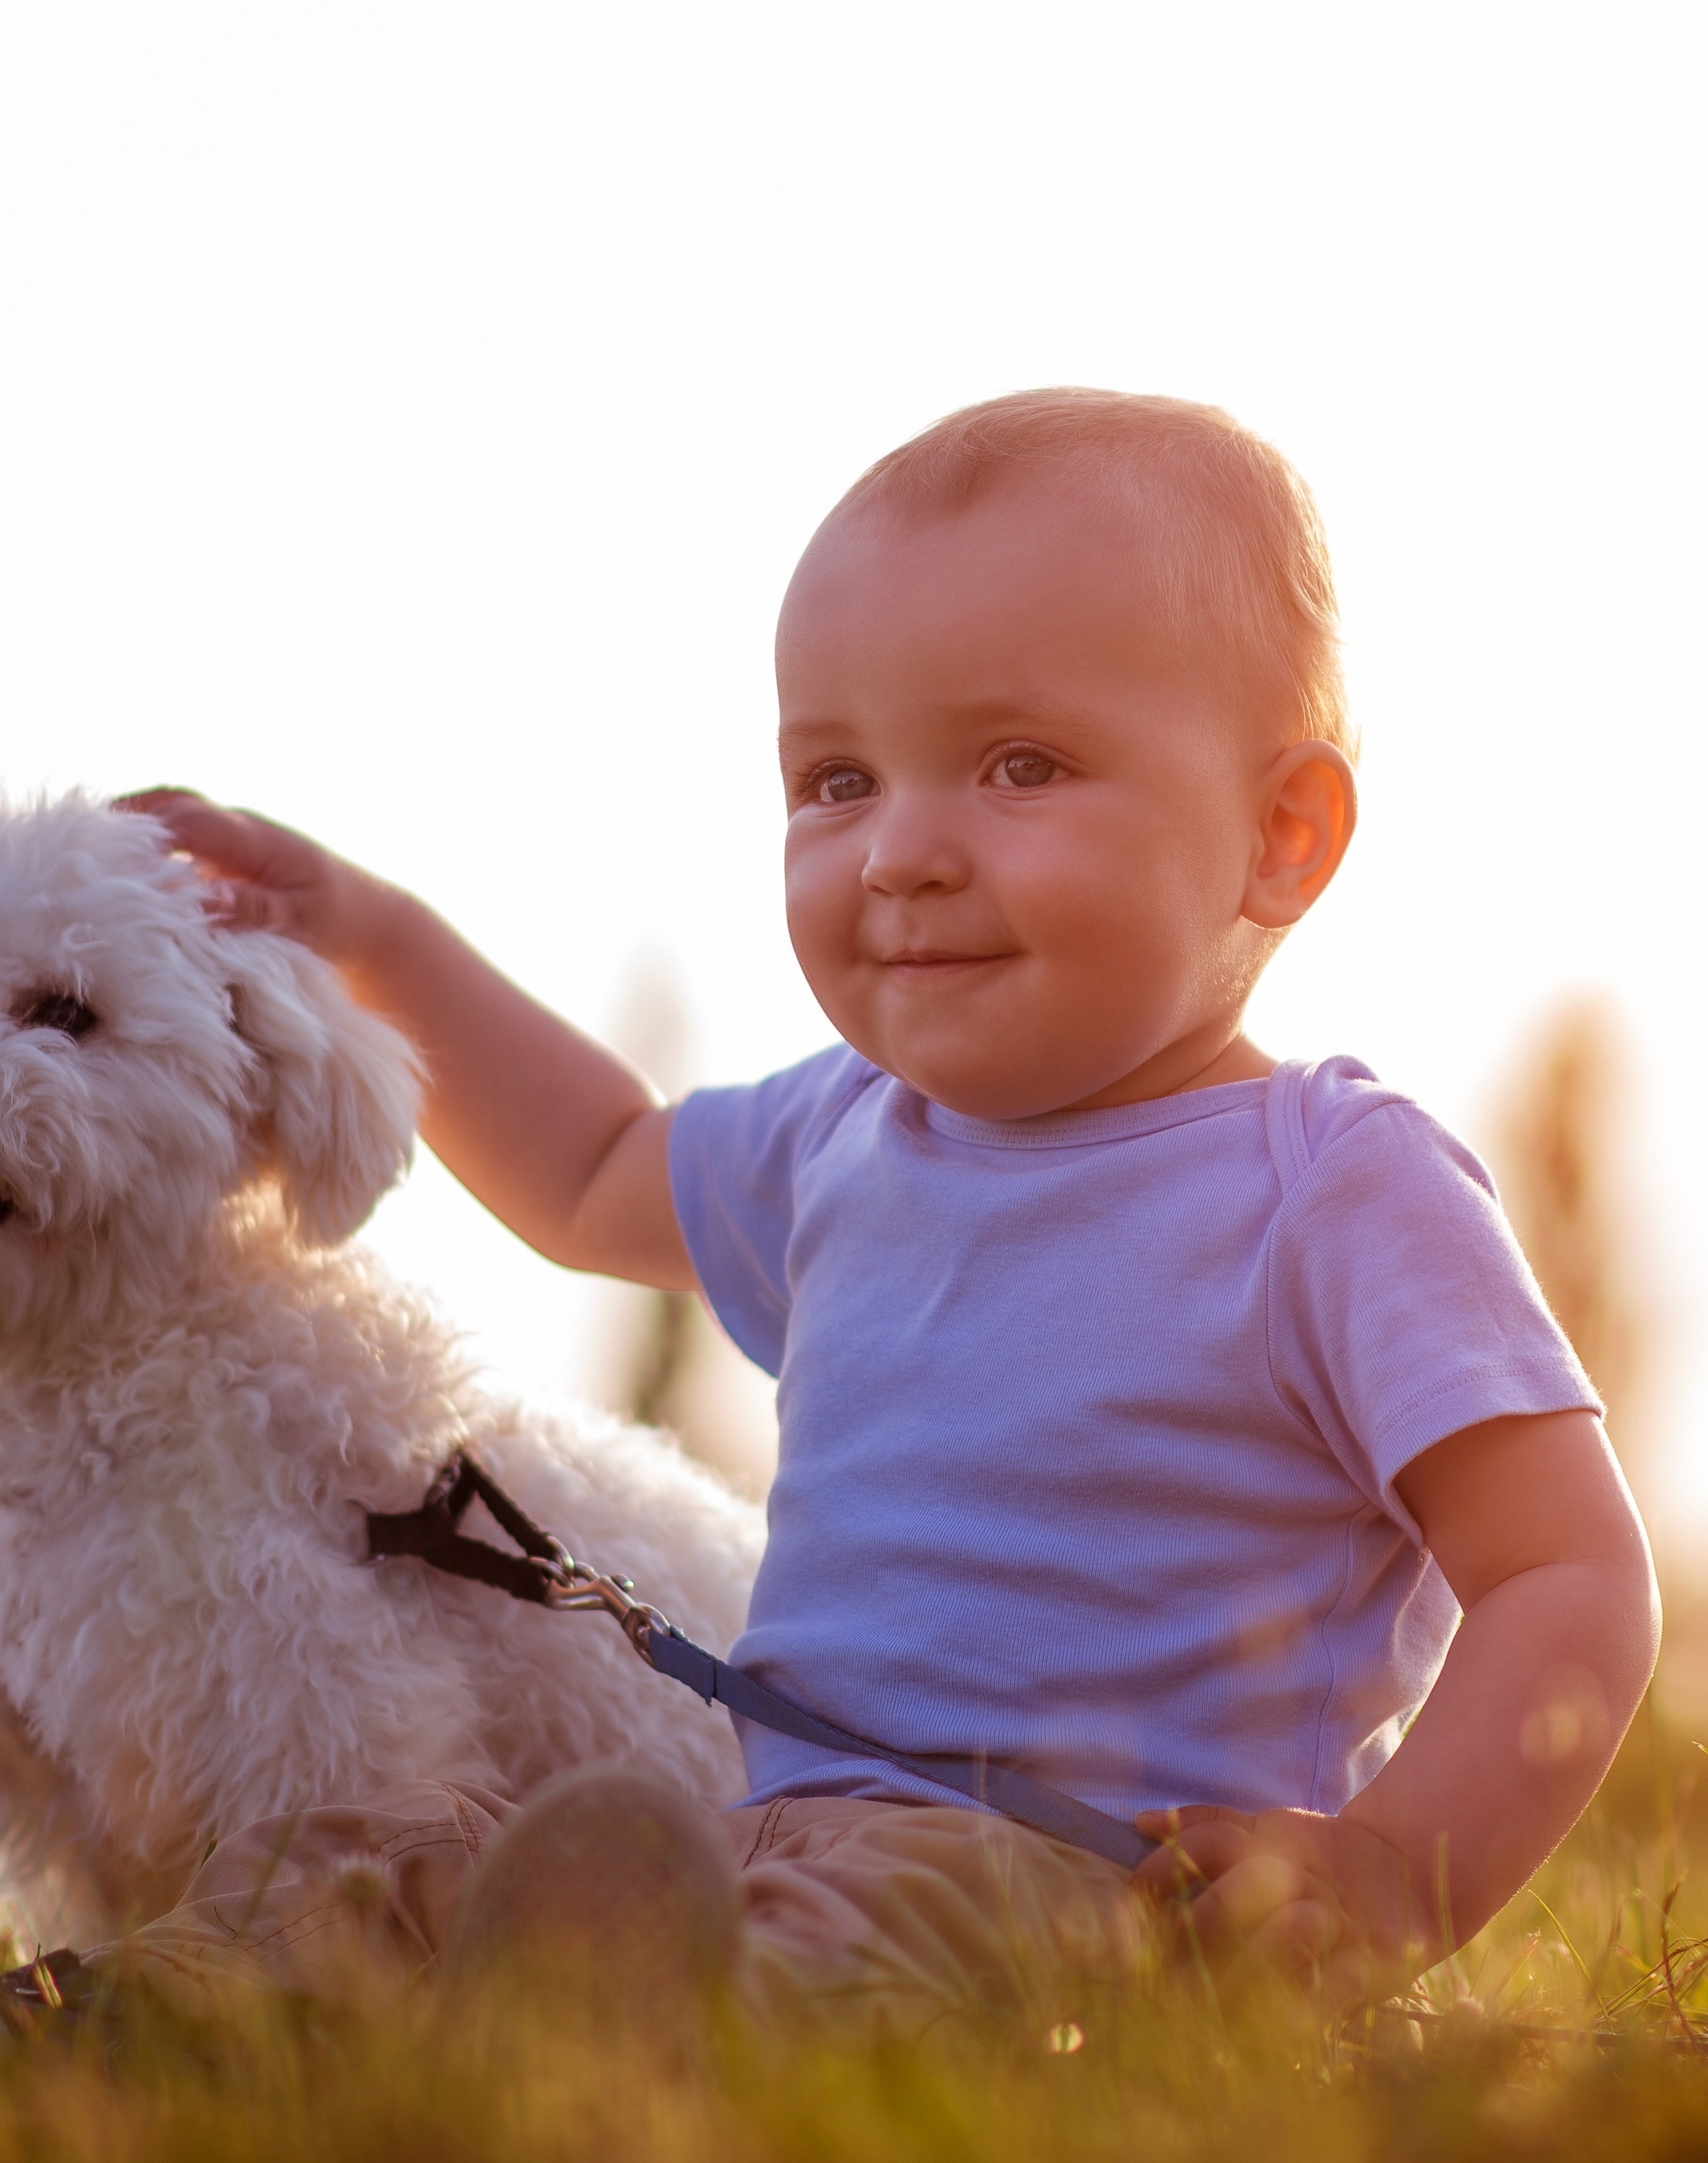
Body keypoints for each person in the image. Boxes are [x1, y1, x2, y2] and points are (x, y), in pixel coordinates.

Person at [110, 388, 1659, 2026]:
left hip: (1081, 1875)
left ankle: (606, 2020)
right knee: (373, 1891)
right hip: (762, 1830)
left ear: (1280, 834)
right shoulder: (843, 1139)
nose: (899, 851)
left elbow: (1567, 1574)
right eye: (834, 780)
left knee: (838, 1937)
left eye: (1018, 764)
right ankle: (136, 2012)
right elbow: (585, 1169)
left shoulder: (1333, 1188)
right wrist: (372, 932)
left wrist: (1386, 1871)